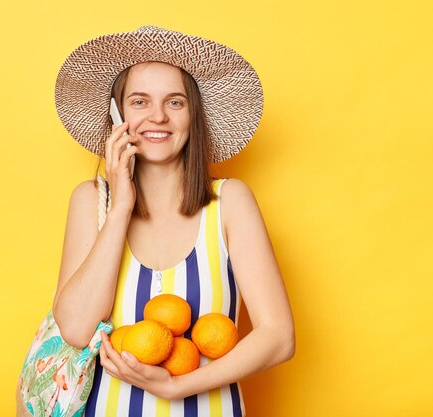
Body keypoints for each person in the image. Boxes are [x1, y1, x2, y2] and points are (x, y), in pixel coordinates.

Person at [51, 26, 295, 416]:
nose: (158, 116)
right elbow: (77, 330)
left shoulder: (230, 202)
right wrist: (119, 209)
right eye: (139, 102)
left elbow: (278, 337)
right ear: (117, 115)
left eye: (175, 102)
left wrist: (179, 386)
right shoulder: (90, 201)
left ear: (193, 114)